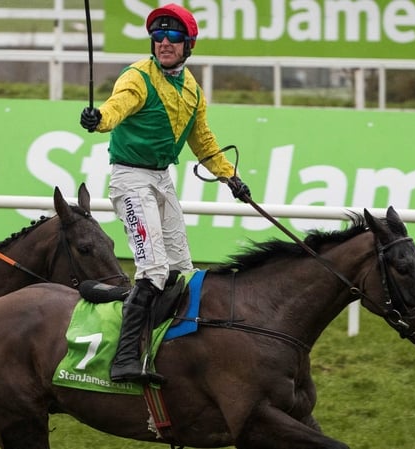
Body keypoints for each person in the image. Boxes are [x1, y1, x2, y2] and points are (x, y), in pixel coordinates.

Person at [79, 3, 251, 384]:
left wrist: (231, 177)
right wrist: (100, 120)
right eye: (158, 35)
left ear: (188, 45)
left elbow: (203, 140)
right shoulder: (138, 77)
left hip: (161, 180)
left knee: (182, 272)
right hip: (131, 180)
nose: (164, 42)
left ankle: (170, 349)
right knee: (154, 269)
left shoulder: (192, 89)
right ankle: (123, 360)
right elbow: (117, 107)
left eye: (173, 36)